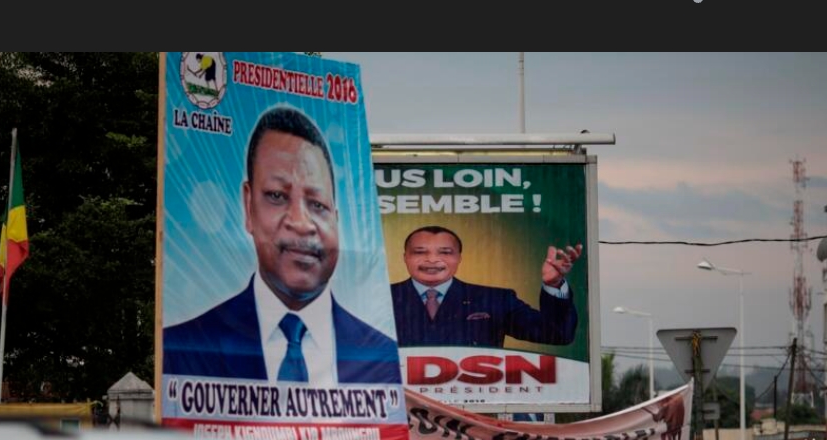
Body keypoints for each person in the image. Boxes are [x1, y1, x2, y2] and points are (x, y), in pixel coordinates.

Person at [163, 106, 399, 385]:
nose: (301, 223)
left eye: (317, 204)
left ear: (336, 219)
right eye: (277, 196)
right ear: (248, 206)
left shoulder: (379, 356)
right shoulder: (185, 349)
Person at [390, 226, 581, 348]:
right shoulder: (377, 299)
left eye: (445, 252)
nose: (432, 259)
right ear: (405, 257)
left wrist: (554, 284)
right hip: (395, 405)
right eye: (420, 252)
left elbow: (558, 334)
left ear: (459, 258)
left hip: (475, 404)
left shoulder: (495, 300)